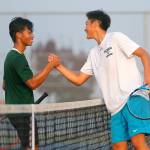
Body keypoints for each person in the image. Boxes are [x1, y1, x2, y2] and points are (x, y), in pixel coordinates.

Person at [50, 10, 150, 150]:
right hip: (115, 109)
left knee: (138, 143)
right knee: (118, 147)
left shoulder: (116, 37)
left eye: (86, 23)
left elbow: (144, 54)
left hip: (133, 99)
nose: (84, 28)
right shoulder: (93, 54)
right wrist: (58, 66)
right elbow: (79, 79)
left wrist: (148, 77)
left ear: (96, 23)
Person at [3, 17, 59, 150]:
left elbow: (4, 86)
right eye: (29, 32)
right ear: (18, 35)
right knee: (33, 147)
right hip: (23, 112)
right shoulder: (17, 58)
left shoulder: (10, 56)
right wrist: (50, 66)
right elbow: (33, 84)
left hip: (16, 112)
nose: (32, 35)